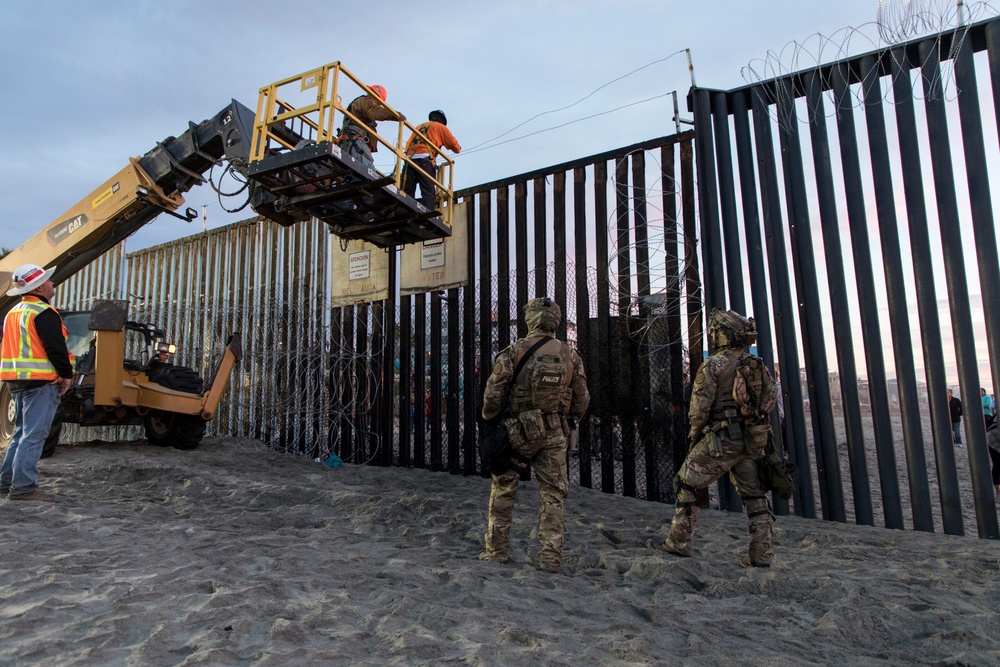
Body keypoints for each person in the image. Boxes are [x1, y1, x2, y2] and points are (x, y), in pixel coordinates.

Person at [659, 308, 778, 568]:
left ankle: (679, 543)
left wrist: (695, 436)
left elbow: (699, 408)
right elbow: (770, 400)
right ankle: (762, 554)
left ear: (723, 335)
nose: (712, 336)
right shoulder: (756, 365)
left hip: (721, 440)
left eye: (715, 332)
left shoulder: (713, 364)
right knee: (754, 497)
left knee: (686, 483)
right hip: (750, 441)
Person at [479, 297, 590, 573]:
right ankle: (550, 558)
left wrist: (491, 420)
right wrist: (568, 419)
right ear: (556, 321)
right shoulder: (571, 355)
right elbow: (583, 399)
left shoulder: (513, 351)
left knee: (504, 488)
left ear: (530, 319)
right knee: (553, 496)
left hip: (519, 432)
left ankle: (496, 551)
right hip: (554, 433)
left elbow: (493, 394)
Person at [0, 263, 73, 501]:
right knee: (33, 437)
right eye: (49, 281)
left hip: (15, 381)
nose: (52, 284)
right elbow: (56, 347)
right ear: (40, 286)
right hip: (40, 383)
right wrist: (66, 374)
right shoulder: (43, 312)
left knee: (21, 435)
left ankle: (5, 484)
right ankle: (23, 488)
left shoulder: (14, 312)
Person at [402, 110, 461, 211]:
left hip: (409, 160)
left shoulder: (419, 127)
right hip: (425, 160)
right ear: (442, 120)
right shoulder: (440, 127)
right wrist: (458, 147)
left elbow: (407, 145)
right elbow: (455, 146)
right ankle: (426, 215)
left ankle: (406, 213)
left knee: (407, 191)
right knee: (428, 191)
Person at [337, 83, 406, 170]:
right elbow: (376, 112)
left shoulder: (359, 103)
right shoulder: (366, 101)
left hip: (348, 142)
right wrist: (395, 115)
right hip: (355, 143)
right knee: (369, 174)